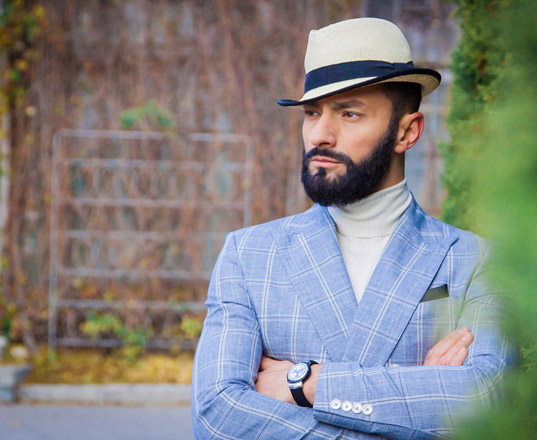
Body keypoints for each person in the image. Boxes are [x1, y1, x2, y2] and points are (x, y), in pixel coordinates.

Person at [192, 17, 512, 440]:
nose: (320, 134)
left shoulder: (476, 261)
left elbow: (486, 397)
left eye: (349, 113)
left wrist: (306, 383)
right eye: (312, 112)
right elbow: (216, 415)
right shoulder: (249, 255)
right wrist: (413, 410)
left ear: (407, 131)